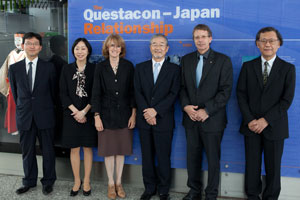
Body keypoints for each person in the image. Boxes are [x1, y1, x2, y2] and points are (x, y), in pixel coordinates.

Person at [236, 27, 296, 200]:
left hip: (275, 126)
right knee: (252, 165)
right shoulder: (248, 67)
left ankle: (271, 197)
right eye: (263, 40)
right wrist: (250, 120)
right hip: (251, 126)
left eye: (271, 40)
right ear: (257, 44)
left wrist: (265, 120)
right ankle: (252, 195)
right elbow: (241, 94)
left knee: (273, 167)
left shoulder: (288, 69)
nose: (267, 44)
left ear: (279, 44)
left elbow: (286, 100)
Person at [180, 24, 233, 200]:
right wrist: (186, 106)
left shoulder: (223, 60)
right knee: (192, 158)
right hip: (191, 118)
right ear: (193, 40)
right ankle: (194, 191)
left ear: (210, 38)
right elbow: (181, 88)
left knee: (213, 160)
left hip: (213, 120)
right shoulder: (186, 60)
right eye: (197, 37)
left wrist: (207, 110)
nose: (200, 40)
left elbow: (225, 91)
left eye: (203, 36)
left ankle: (211, 194)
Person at [8, 32, 56, 195]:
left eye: (35, 43)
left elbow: (53, 93)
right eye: (28, 43)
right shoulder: (14, 68)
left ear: (40, 47)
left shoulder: (49, 67)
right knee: (27, 151)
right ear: (23, 46)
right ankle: (29, 181)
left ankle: (48, 181)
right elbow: (16, 93)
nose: (32, 46)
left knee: (48, 150)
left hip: (45, 115)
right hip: (25, 115)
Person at [134, 34, 180, 200]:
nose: (158, 47)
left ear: (167, 49)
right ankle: (149, 188)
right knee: (147, 156)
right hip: (145, 120)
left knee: (163, 157)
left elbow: (173, 94)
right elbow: (137, 92)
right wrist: (147, 112)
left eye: (161, 45)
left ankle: (163, 190)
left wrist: (156, 111)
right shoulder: (140, 68)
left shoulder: (174, 70)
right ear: (150, 47)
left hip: (164, 120)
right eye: (154, 44)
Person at [91, 34, 136, 199]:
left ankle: (119, 183)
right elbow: (95, 93)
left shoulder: (128, 66)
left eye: (118, 46)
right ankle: (110, 183)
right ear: (107, 48)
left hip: (125, 115)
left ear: (121, 49)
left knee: (121, 151)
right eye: (112, 46)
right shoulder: (100, 67)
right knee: (109, 152)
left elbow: (133, 92)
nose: (115, 49)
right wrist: (96, 116)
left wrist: (134, 113)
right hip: (106, 115)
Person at [59, 38, 97, 197]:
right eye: (77, 49)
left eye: (83, 48)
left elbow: (96, 93)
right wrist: (76, 112)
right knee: (74, 149)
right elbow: (63, 93)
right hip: (71, 115)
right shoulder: (66, 69)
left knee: (87, 148)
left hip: (88, 115)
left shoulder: (95, 69)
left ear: (88, 51)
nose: (80, 52)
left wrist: (84, 112)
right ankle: (76, 181)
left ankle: (87, 180)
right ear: (73, 51)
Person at [0, 32, 26, 135]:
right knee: (11, 106)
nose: (18, 43)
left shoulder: (26, 53)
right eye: (16, 40)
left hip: (23, 85)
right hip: (12, 84)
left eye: (20, 40)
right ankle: (13, 127)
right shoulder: (11, 53)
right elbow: (5, 69)